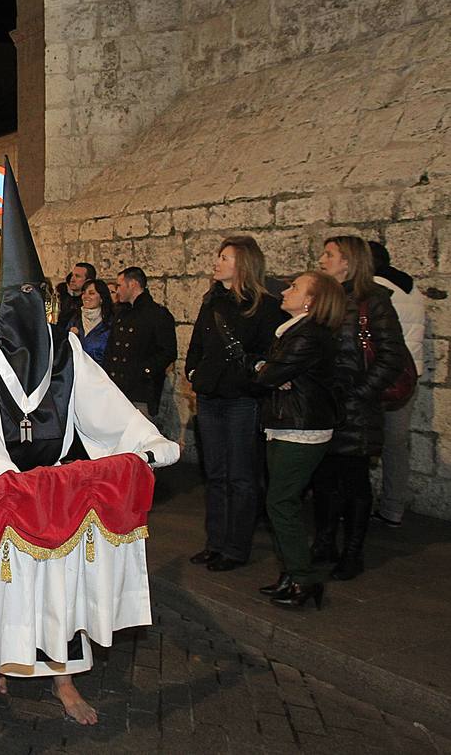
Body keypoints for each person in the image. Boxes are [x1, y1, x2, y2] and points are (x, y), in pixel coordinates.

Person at [0, 158, 178, 722]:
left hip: (56, 488)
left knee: (61, 590)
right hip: (5, 488)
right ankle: (3, 663)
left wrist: (146, 441)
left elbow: (107, 407)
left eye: (34, 296)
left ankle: (64, 681)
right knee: (9, 584)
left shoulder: (66, 349)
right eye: (16, 299)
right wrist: (6, 485)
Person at [185, 236, 284, 572]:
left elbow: (267, 355)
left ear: (242, 264)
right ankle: (215, 542)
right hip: (211, 397)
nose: (217, 262)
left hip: (241, 399)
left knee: (240, 476)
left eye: (225, 257)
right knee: (215, 474)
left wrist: (247, 380)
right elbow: (198, 343)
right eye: (219, 256)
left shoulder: (265, 307)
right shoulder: (211, 302)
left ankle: (236, 547)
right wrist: (195, 373)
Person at [249, 271, 346, 609]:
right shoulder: (293, 333)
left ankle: (303, 579)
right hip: (287, 424)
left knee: (281, 503)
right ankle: (291, 574)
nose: (286, 291)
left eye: (294, 287)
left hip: (301, 429)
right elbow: (269, 371)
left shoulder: (308, 336)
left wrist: (268, 372)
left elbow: (268, 376)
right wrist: (267, 369)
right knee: (281, 502)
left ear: (311, 301)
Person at [313, 237, 405, 580]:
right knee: (322, 479)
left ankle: (352, 553)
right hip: (323, 407)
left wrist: (360, 394)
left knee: (353, 482)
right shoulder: (325, 298)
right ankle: (324, 543)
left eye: (330, 254)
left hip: (355, 409)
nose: (322, 259)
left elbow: (392, 355)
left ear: (349, 262)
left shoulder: (374, 301)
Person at [369, 241, 425, 528]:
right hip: (407, 376)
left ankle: (355, 504)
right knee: (395, 444)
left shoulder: (374, 290)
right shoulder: (410, 288)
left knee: (361, 443)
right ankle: (393, 509)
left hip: (380, 376)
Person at [105, 267, 178, 421]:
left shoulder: (156, 314)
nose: (117, 291)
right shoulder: (121, 314)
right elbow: (111, 349)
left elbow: (168, 351)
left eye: (120, 285)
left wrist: (145, 371)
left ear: (132, 284)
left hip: (141, 391)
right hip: (117, 390)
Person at [65, 279, 112, 365]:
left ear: (102, 298)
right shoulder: (75, 319)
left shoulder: (110, 323)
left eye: (91, 293)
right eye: (84, 293)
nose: (85, 296)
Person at [55, 262, 96, 329]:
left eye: (77, 276)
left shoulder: (90, 302)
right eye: (72, 275)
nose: (72, 279)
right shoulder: (64, 298)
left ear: (88, 281)